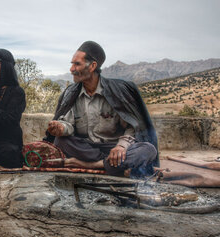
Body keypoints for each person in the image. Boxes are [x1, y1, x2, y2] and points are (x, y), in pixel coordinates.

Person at [44, 41, 158, 177]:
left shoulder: (116, 93)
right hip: (86, 149)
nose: (71, 69)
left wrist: (121, 146)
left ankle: (92, 165)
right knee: (60, 141)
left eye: (77, 64)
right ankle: (112, 166)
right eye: (72, 64)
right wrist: (61, 127)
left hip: (113, 149)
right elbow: (69, 125)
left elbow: (132, 126)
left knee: (148, 150)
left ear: (92, 66)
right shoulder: (72, 94)